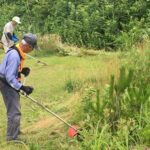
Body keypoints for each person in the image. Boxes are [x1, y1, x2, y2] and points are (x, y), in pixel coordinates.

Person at [0, 33, 37, 141]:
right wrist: (22, 87)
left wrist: (21, 71)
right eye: (32, 48)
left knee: (15, 108)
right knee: (14, 111)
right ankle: (12, 138)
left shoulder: (16, 50)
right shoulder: (15, 56)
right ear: (27, 46)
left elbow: (10, 70)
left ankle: (15, 131)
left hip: (7, 81)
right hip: (6, 84)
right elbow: (10, 77)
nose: (31, 51)